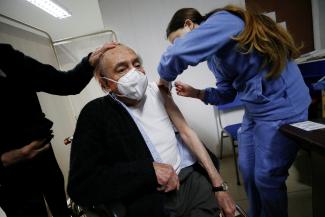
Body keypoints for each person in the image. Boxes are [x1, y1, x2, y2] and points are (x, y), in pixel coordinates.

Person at [157, 5, 311, 217]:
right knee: (248, 172)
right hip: (255, 110)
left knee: (266, 178)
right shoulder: (215, 58)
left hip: (282, 107)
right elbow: (227, 93)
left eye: (177, 39)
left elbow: (179, 54)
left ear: (189, 25)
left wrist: (164, 79)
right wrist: (197, 93)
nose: (178, 45)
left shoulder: (223, 21)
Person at [67, 44, 236, 217]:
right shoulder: (95, 113)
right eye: (122, 69)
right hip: (151, 200)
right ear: (105, 83)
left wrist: (219, 186)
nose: (135, 73)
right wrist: (147, 172)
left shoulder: (158, 92)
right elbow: (81, 185)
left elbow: (187, 132)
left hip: (190, 182)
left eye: (137, 64)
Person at [0, 42, 117, 217]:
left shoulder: (6, 57)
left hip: (43, 155)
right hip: (8, 175)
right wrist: (6, 159)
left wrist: (89, 62)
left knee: (60, 207)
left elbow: (66, 83)